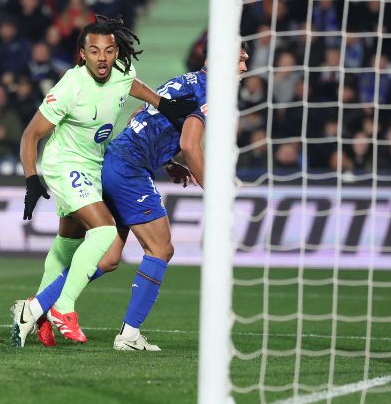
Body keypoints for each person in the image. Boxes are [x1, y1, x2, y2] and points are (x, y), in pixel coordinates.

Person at [21, 43, 250, 350]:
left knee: (110, 258)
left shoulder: (184, 81)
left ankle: (36, 308)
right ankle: (129, 335)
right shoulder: (211, 92)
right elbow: (191, 144)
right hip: (130, 169)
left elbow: (139, 119)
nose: (244, 68)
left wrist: (169, 161)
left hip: (116, 161)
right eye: (239, 61)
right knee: (160, 248)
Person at [12, 15, 200, 347]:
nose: (103, 58)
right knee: (103, 231)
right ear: (82, 54)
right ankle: (63, 308)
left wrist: (163, 104)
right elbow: (31, 135)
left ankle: (35, 311)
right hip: (64, 164)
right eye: (95, 51)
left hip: (96, 162)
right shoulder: (70, 87)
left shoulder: (120, 73)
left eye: (109, 51)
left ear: (116, 53)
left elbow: (131, 85)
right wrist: (31, 179)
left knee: (68, 244)